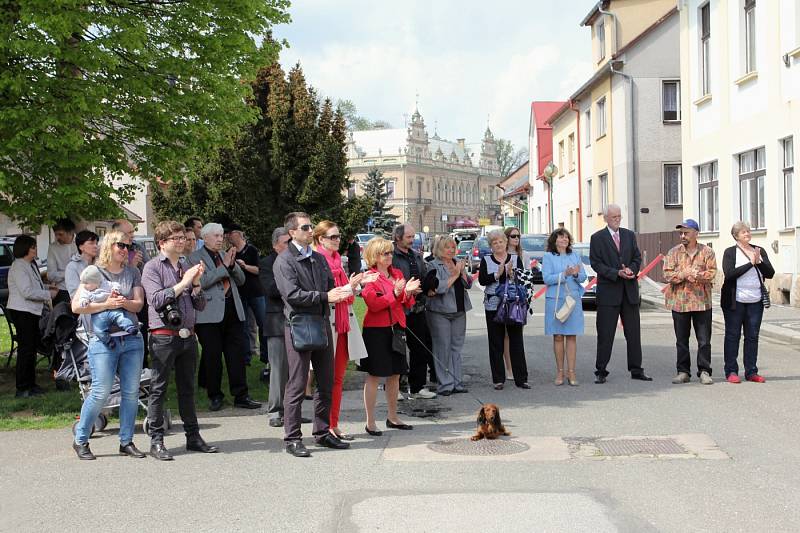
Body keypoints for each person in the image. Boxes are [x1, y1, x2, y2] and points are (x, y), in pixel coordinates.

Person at [274, 212, 351, 457]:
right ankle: (292, 437)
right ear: (292, 232)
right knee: (296, 384)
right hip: (298, 325)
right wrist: (324, 297)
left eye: (310, 226)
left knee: (326, 381)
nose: (310, 230)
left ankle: (322, 432)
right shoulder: (285, 261)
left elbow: (329, 286)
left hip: (320, 323)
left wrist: (346, 288)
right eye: (305, 227)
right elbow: (292, 295)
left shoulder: (317, 259)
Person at [141, 220, 219, 460]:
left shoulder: (187, 264)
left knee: (188, 389)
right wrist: (184, 282)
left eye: (183, 238)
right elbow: (155, 300)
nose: (183, 241)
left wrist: (195, 285)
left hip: (188, 335)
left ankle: (193, 437)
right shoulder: (152, 267)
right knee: (159, 389)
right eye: (177, 238)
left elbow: (201, 304)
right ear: (162, 242)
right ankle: (156, 441)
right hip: (163, 336)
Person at [70, 230, 146, 460]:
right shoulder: (94, 272)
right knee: (100, 392)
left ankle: (126, 441)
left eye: (128, 247)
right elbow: (77, 307)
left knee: (131, 393)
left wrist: (125, 303)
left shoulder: (132, 272)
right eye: (121, 246)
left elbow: (139, 305)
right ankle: (81, 439)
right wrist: (107, 304)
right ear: (109, 247)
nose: (125, 250)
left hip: (132, 339)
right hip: (103, 341)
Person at [187, 223, 261, 411]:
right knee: (212, 357)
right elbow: (201, 282)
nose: (221, 239)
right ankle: (215, 395)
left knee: (236, 355)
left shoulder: (224, 255)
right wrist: (224, 268)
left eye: (221, 235)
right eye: (216, 236)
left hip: (233, 311)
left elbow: (241, 280)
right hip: (209, 315)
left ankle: (241, 395)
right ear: (205, 237)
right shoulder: (194, 258)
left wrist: (233, 265)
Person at [314, 221, 376, 440]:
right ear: (321, 239)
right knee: (326, 380)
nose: (337, 240)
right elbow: (328, 294)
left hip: (343, 325)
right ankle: (324, 427)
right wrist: (352, 286)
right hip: (327, 325)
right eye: (333, 237)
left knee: (338, 379)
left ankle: (333, 424)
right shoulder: (317, 260)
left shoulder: (337, 261)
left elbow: (347, 295)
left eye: (338, 236)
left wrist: (357, 285)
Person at [360, 237, 418, 435]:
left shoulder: (397, 273)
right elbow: (374, 305)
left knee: (396, 374)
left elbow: (406, 303)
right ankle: (370, 421)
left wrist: (408, 293)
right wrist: (395, 293)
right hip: (377, 330)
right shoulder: (370, 277)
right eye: (385, 253)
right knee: (375, 375)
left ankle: (393, 417)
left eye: (391, 252)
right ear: (374, 256)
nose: (390, 256)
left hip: (397, 328)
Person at [589, 204, 651, 384]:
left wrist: (631, 269)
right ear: (606, 218)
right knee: (605, 333)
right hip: (609, 292)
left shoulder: (629, 235)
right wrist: (616, 273)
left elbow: (636, 258)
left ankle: (636, 369)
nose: (617, 220)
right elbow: (596, 264)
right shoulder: (597, 238)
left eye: (619, 216)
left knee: (633, 333)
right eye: (614, 217)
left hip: (629, 291)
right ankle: (601, 370)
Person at [663, 219, 717, 385]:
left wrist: (698, 275)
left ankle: (704, 371)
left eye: (686, 233)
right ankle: (683, 371)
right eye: (681, 233)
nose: (683, 236)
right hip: (680, 303)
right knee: (681, 340)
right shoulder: (673, 252)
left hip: (701, 303)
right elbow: (667, 274)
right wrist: (683, 274)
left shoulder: (707, 252)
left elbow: (713, 272)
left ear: (695, 233)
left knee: (704, 340)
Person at [720, 221, 775, 383]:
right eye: (743, 232)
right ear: (736, 236)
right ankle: (731, 371)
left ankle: (751, 371)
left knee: (752, 336)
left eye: (748, 231)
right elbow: (729, 274)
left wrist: (759, 262)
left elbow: (770, 273)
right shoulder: (730, 252)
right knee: (732, 335)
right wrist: (750, 263)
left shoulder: (759, 250)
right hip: (734, 301)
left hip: (755, 301)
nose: (747, 234)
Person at [7, 235, 58, 397]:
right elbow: (27, 291)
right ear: (25, 249)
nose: (36, 249)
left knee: (31, 349)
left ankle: (31, 384)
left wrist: (47, 287)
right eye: (33, 247)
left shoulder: (31, 265)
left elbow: (34, 285)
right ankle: (22, 387)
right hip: (22, 312)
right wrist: (48, 294)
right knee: (26, 350)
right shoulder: (18, 266)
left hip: (31, 312)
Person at [478, 229, 529, 390]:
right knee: (496, 342)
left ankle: (521, 378)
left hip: (513, 304)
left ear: (506, 243)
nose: (498, 245)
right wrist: (497, 274)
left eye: (500, 241)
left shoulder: (514, 258)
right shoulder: (486, 259)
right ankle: (498, 379)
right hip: (493, 305)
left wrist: (512, 273)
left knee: (516, 341)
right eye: (495, 242)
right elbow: (482, 280)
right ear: (491, 246)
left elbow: (523, 280)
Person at [426, 234, 475, 395]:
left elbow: (468, 284)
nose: (451, 250)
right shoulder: (432, 265)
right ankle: (445, 385)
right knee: (442, 348)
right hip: (440, 312)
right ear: (439, 249)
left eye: (453, 247)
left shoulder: (457, 263)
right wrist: (454, 275)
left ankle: (457, 382)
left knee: (456, 348)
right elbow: (438, 287)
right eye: (447, 247)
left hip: (459, 311)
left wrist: (461, 273)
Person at [392, 224, 437, 399]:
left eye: (413, 237)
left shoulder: (416, 256)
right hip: (399, 309)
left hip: (417, 308)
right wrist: (406, 291)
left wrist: (429, 286)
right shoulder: (392, 256)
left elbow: (424, 276)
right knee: (398, 350)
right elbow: (390, 281)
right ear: (398, 238)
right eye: (409, 237)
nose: (412, 240)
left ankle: (417, 387)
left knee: (420, 348)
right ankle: (396, 387)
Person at [542, 228, 586, 387]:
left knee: (572, 336)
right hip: (555, 299)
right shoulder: (548, 257)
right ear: (554, 240)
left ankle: (571, 372)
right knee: (558, 336)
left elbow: (583, 277)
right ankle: (560, 371)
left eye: (566, 237)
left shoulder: (574, 255)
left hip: (572, 299)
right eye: (561, 238)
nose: (564, 240)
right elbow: (546, 278)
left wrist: (575, 274)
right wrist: (564, 274)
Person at [260, 228, 292, 427]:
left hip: (296, 321)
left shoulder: (296, 261)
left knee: (295, 370)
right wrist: (291, 285)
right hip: (277, 322)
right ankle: (274, 411)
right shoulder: (266, 263)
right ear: (275, 245)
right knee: (278, 369)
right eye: (285, 242)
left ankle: (291, 411)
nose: (289, 246)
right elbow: (271, 290)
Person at [228, 224, 267, 365]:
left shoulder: (252, 250)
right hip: (239, 294)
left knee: (263, 324)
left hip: (257, 293)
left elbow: (259, 270)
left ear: (238, 234)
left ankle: (266, 356)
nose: (227, 236)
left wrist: (244, 266)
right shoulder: (229, 251)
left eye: (230, 233)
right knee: (243, 326)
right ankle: (245, 358)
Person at [77, 265, 139, 345]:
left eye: (87, 283)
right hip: (98, 314)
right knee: (98, 329)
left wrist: (115, 289)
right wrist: (84, 301)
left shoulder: (105, 284)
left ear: (96, 282)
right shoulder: (86, 291)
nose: (84, 285)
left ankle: (129, 327)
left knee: (120, 317)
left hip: (112, 310)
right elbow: (82, 298)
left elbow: (115, 284)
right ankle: (108, 341)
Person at [502, 226, 523, 380]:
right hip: (506, 297)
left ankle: (518, 368)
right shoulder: (503, 255)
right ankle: (508, 367)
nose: (516, 239)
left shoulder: (523, 254)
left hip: (519, 297)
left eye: (518, 236)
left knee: (517, 334)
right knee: (506, 335)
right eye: (513, 236)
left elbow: (526, 276)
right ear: (507, 238)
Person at [47, 218, 77, 305]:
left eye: (60, 234)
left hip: (80, 290)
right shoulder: (53, 248)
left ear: (71, 232)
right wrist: (70, 271)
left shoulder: (81, 244)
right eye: (56, 234)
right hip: (61, 292)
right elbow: (51, 275)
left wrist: (60, 273)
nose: (57, 237)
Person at [65, 230, 99, 300]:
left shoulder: (100, 264)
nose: (95, 246)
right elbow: (74, 293)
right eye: (91, 243)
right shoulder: (72, 267)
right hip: (84, 305)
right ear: (81, 247)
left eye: (96, 243)